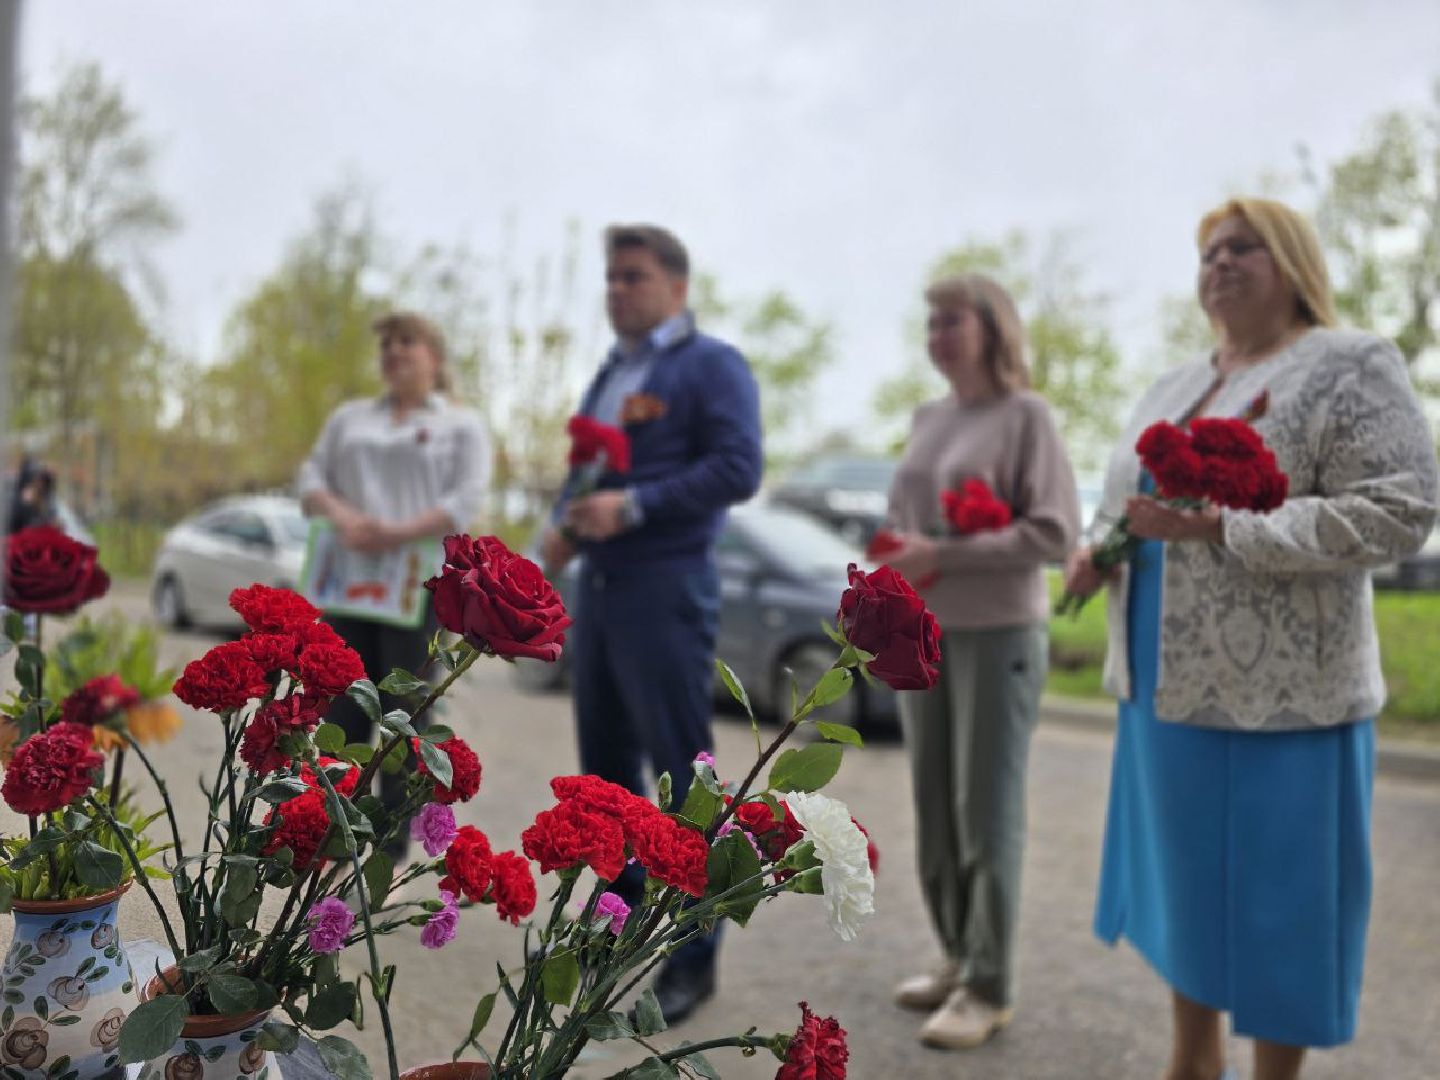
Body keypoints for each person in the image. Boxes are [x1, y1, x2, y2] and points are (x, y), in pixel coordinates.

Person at [1066, 198, 1439, 1080]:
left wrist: (1223, 528)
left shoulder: (1347, 364)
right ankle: (1192, 1060)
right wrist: (1100, 551)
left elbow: (1403, 511)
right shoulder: (1172, 383)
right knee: (1184, 886)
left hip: (1286, 690)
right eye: (1207, 252)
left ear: (1294, 262)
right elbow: (1129, 501)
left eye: (1242, 247)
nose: (1218, 264)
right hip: (1161, 681)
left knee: (1285, 904)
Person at [539, 224, 762, 1024]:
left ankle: (693, 954)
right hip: (599, 589)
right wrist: (564, 523)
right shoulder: (612, 371)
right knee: (603, 777)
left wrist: (631, 506)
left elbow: (740, 467)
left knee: (679, 778)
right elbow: (586, 471)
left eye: (632, 276)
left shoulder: (711, 365)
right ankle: (618, 922)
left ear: (677, 285)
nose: (617, 291)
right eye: (609, 278)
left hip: (666, 590)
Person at [880, 274, 1080, 1050]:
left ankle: (990, 985)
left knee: (984, 811)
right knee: (934, 806)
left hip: (998, 635)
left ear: (993, 327)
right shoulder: (929, 417)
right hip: (921, 633)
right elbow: (906, 518)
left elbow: (1056, 532)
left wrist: (947, 553)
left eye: (951, 320)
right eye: (928, 322)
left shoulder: (1027, 416)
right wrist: (899, 553)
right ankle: (958, 954)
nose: (936, 335)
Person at [297, 312, 491, 851]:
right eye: (386, 344)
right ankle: (330, 835)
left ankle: (390, 849)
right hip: (347, 583)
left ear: (434, 354)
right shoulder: (351, 418)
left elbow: (464, 501)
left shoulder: (460, 425)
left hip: (417, 588)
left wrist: (394, 532)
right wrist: (343, 517)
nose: (394, 352)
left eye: (407, 342)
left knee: (402, 714)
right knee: (340, 704)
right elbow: (312, 478)